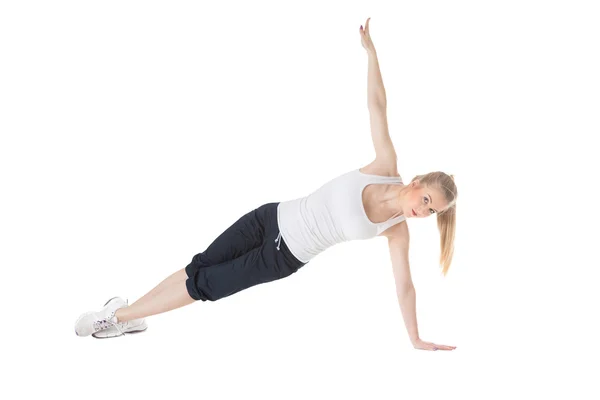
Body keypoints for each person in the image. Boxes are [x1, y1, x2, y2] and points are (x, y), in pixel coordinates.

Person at [74, 18, 458, 351]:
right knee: (200, 266)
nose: (422, 211)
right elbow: (378, 105)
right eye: (426, 199)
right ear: (417, 181)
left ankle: (117, 316)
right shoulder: (384, 165)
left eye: (431, 210)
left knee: (203, 285)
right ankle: (131, 316)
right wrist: (371, 53)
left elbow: (405, 287)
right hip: (270, 216)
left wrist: (416, 337)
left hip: (281, 256)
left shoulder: (395, 232)